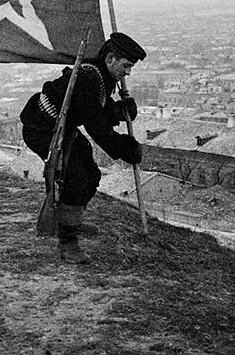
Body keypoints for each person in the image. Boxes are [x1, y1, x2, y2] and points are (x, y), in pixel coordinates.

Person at [20, 32, 146, 264]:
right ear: (110, 59)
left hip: (64, 128)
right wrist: (127, 149)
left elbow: (96, 108)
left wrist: (118, 110)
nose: (128, 72)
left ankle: (71, 220)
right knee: (74, 179)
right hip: (42, 129)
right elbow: (98, 128)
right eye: (126, 65)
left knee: (91, 175)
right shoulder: (88, 77)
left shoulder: (100, 74)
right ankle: (67, 241)